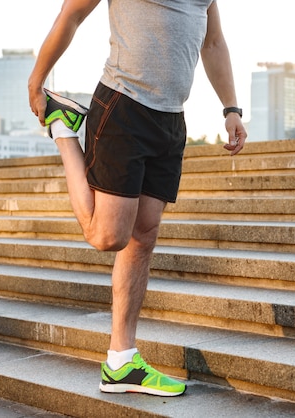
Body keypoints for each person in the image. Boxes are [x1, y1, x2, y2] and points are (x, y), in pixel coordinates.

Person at [28, 0, 246, 397]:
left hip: (171, 119)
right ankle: (63, 129)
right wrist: (37, 80)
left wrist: (230, 108)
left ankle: (121, 361)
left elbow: (213, 42)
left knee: (143, 237)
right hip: (124, 105)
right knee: (108, 237)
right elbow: (71, 14)